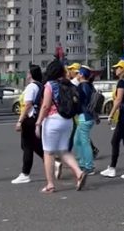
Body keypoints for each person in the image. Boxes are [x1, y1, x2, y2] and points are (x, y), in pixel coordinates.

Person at [35, 60, 87, 193]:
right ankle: (79, 172)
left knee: (48, 153)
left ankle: (50, 184)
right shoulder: (68, 84)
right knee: (64, 151)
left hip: (52, 121)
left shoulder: (49, 85)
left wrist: (38, 122)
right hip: (68, 121)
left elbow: (46, 106)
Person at [100, 59, 124, 179]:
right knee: (116, 141)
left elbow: (118, 100)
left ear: (123, 69)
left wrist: (111, 114)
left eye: (118, 67)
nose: (115, 69)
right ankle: (112, 168)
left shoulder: (122, 82)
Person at [11, 64, 44, 184]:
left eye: (28, 72)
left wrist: (20, 120)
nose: (27, 74)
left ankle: (25, 173)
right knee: (34, 145)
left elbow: (28, 104)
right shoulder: (41, 85)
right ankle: (51, 160)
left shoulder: (31, 87)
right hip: (35, 118)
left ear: (31, 74)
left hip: (29, 119)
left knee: (27, 147)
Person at [74, 66, 96, 175]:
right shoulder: (90, 86)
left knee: (84, 142)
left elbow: (79, 101)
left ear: (82, 74)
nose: (77, 75)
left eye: (78, 73)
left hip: (85, 117)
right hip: (88, 116)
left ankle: (89, 166)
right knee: (77, 140)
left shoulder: (82, 86)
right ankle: (83, 164)